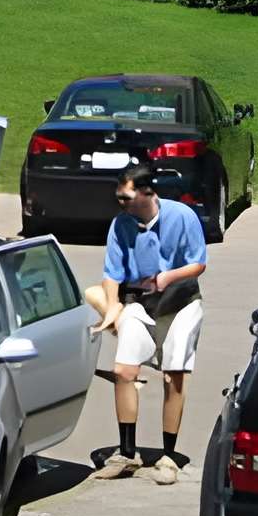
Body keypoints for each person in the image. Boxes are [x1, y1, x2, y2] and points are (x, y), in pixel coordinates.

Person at [87, 164, 209, 482]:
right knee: (124, 371)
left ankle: (169, 457)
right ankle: (127, 454)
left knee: (174, 376)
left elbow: (198, 263)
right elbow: (112, 274)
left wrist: (167, 277)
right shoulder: (120, 225)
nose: (120, 202)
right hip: (140, 303)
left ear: (146, 192)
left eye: (125, 196)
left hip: (180, 303)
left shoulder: (181, 216)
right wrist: (112, 307)